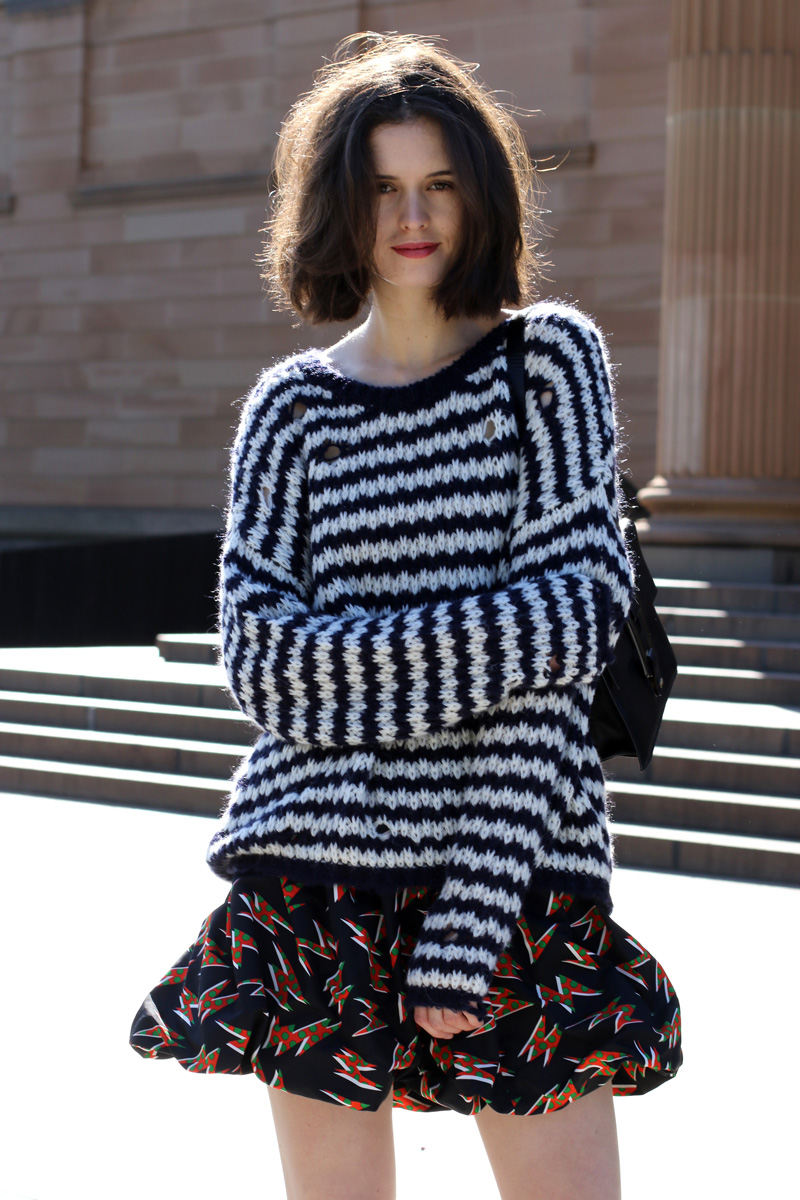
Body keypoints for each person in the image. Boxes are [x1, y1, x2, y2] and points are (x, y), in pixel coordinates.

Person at [130, 32, 681, 1200]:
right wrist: (493, 636)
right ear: (337, 207)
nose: (412, 216)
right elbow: (263, 670)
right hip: (311, 879)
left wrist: (468, 913)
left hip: (515, 872)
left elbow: (576, 629)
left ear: (478, 197)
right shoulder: (290, 412)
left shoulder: (547, 366)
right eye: (381, 188)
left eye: (437, 184)